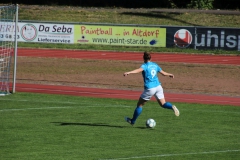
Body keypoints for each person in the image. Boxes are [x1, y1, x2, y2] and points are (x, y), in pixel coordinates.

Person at [123, 51, 180, 126]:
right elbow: (163, 73)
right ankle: (172, 107)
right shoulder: (155, 65)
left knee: (139, 105)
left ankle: (132, 121)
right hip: (158, 87)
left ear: (143, 58)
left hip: (150, 88)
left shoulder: (145, 66)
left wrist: (129, 72)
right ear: (151, 58)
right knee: (163, 104)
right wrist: (170, 74)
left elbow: (138, 70)